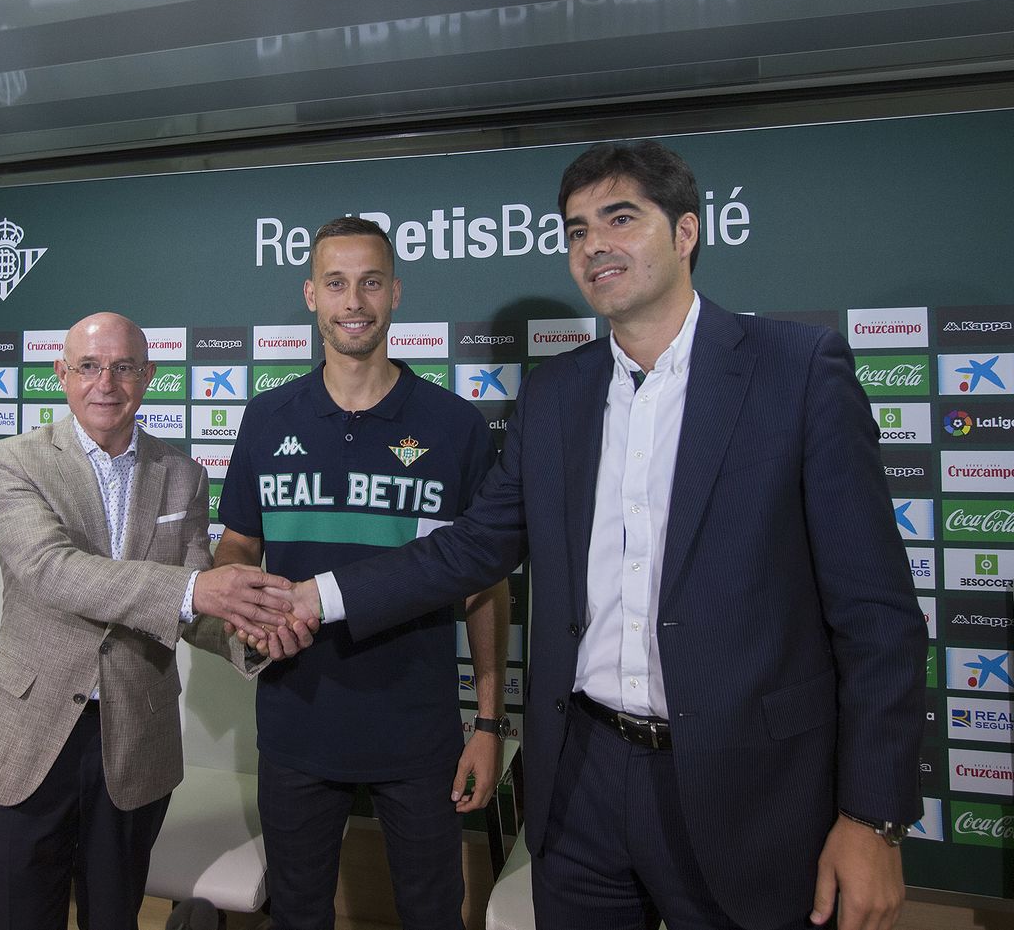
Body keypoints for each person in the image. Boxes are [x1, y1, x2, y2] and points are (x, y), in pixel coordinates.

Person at [269, 143, 925, 930]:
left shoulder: (798, 371)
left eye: (621, 219)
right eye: (577, 230)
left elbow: (878, 615)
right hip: (581, 782)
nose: (594, 245)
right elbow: (473, 547)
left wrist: (874, 816)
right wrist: (317, 595)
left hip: (742, 787)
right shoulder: (556, 396)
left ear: (686, 232)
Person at [0, 312, 295, 930]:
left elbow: (191, 611)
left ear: (148, 375)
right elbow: (51, 570)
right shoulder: (13, 462)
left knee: (114, 913)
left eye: (124, 367)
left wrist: (256, 632)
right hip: (29, 727)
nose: (107, 383)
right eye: (90, 367)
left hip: (137, 731)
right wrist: (196, 587)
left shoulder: (181, 473)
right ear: (62, 375)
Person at [214, 217, 511, 930]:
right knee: (298, 914)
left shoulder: (455, 425)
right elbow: (235, 551)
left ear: (396, 293)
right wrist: (247, 612)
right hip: (295, 721)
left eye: (371, 282)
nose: (355, 300)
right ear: (312, 293)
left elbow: (485, 582)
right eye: (338, 283)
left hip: (417, 730)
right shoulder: (265, 418)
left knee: (435, 913)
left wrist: (490, 721)